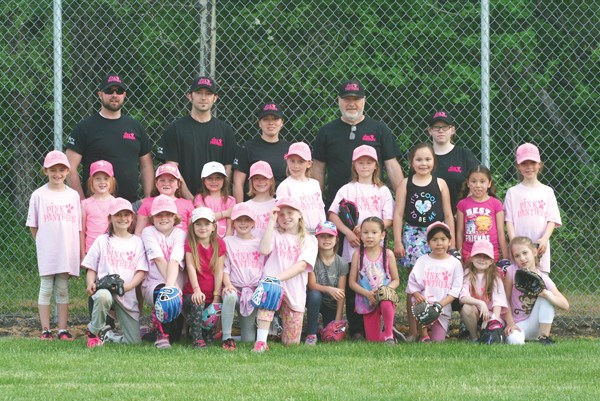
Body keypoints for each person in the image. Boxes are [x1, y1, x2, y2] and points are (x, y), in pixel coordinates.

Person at [328, 144, 394, 339]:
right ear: (354, 166)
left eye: (369, 162)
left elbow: (389, 218)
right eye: (360, 163)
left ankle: (380, 325)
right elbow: (333, 214)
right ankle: (357, 328)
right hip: (353, 246)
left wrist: (371, 228)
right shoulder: (347, 189)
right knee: (354, 287)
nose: (365, 166)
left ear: (376, 166)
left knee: (375, 283)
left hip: (376, 249)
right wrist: (349, 233)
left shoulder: (382, 191)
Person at [392, 143, 455, 340]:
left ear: (433, 161)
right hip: (412, 236)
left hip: (435, 236)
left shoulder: (440, 183)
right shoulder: (405, 183)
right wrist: (397, 241)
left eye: (427, 159)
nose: (423, 163)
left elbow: (447, 213)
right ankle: (413, 330)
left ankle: (431, 328)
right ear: (412, 162)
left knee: (435, 282)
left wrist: (450, 241)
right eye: (419, 159)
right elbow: (399, 213)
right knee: (415, 285)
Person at [312, 79, 404, 210]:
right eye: (347, 99)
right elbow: (318, 169)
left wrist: (402, 200)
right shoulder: (326, 131)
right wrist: (317, 204)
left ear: (364, 100)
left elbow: (392, 167)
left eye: (356, 99)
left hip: (372, 205)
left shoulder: (379, 129)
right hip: (337, 206)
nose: (351, 104)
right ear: (339, 100)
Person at [66, 73, 154, 203]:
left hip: (130, 207)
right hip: (96, 206)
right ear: (100, 94)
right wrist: (81, 201)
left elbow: (146, 165)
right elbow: (70, 167)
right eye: (109, 91)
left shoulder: (135, 127)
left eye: (118, 91)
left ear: (124, 95)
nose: (114, 95)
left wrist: (147, 199)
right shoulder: (85, 128)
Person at [26, 150, 81, 340]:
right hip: (48, 250)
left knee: (63, 289)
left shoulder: (73, 196)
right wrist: (43, 242)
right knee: (46, 288)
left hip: (66, 250)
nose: (57, 174)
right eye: (52, 170)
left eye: (61, 170)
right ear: (45, 171)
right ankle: (45, 329)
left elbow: (78, 227)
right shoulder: (39, 195)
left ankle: (62, 329)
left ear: (67, 171)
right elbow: (33, 225)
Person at [253, 197, 318, 352]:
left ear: (300, 215)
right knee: (269, 291)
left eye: (290, 213)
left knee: (291, 343)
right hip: (273, 284)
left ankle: (277, 331)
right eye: (281, 214)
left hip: (294, 287)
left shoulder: (310, 240)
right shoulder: (275, 233)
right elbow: (263, 250)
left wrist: (277, 277)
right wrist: (270, 222)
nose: (285, 217)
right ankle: (261, 342)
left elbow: (302, 265)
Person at [83, 198, 148, 348]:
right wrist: (90, 283)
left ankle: (109, 336)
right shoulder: (102, 240)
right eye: (118, 215)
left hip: (126, 292)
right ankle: (93, 331)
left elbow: (141, 271)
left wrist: (128, 287)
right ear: (110, 218)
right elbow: (91, 266)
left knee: (133, 342)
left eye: (126, 215)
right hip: (106, 289)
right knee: (102, 297)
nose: (123, 218)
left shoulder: (137, 242)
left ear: (132, 218)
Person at [158, 76, 237, 199]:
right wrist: (191, 199)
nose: (203, 98)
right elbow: (172, 168)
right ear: (190, 96)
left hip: (216, 202)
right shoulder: (175, 129)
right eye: (199, 93)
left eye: (208, 94)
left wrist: (216, 198)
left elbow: (228, 168)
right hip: (183, 201)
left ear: (215, 98)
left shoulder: (225, 131)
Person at [504, 143, 561, 274]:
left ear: (539, 164)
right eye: (524, 163)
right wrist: (513, 243)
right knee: (517, 284)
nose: (529, 167)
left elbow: (552, 219)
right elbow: (509, 221)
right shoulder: (513, 192)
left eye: (533, 163)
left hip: (539, 247)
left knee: (540, 284)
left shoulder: (547, 191)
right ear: (518, 166)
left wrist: (545, 238)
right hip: (519, 251)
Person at [140, 195, 187, 349]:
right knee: (163, 294)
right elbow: (159, 260)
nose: (163, 218)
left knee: (176, 335)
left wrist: (172, 287)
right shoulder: (148, 232)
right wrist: (169, 289)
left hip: (175, 284)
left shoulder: (180, 234)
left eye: (168, 214)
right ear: (152, 218)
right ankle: (162, 336)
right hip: (154, 284)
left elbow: (174, 261)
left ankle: (157, 331)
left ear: (175, 218)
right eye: (159, 215)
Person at [503, 237, 569, 345]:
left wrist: (546, 295)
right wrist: (510, 323)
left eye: (525, 253)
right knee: (515, 341)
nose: (522, 258)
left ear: (534, 251)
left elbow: (565, 305)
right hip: (517, 324)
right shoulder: (512, 271)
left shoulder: (542, 277)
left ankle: (544, 338)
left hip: (535, 325)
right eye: (517, 256)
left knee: (547, 297)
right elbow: (505, 299)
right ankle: (520, 337)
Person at [406, 222, 463, 342]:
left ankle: (434, 332)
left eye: (443, 239)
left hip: (442, 308)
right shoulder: (422, 260)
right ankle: (423, 335)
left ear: (449, 242)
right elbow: (412, 283)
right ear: (428, 243)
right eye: (434, 239)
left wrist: (439, 305)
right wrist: (417, 295)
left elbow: (455, 290)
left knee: (437, 342)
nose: (439, 243)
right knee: (420, 309)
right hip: (424, 306)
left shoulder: (455, 263)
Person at [221, 203, 267, 349]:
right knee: (230, 296)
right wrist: (227, 284)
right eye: (239, 220)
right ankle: (226, 338)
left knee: (248, 339)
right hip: (235, 287)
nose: (243, 223)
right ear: (233, 223)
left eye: (247, 220)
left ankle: (239, 336)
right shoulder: (228, 241)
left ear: (253, 223)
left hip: (252, 292)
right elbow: (224, 267)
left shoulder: (259, 243)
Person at [349, 217, 400, 344]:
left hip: (385, 297)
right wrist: (367, 293)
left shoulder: (388, 254)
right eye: (365, 232)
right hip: (367, 300)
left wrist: (384, 290)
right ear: (360, 235)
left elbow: (396, 280)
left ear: (382, 235)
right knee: (374, 340)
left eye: (374, 232)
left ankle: (389, 334)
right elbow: (352, 283)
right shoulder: (357, 254)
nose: (369, 236)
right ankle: (390, 333)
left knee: (386, 301)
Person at [183, 207, 226, 348]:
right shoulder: (191, 243)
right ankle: (196, 339)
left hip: (212, 294)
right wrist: (196, 290)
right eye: (198, 224)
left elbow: (219, 270)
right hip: (194, 294)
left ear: (214, 226)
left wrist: (216, 296)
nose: (203, 228)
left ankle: (204, 335)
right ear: (193, 226)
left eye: (206, 224)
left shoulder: (219, 244)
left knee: (210, 339)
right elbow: (190, 267)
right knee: (198, 302)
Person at [233, 102, 290, 202]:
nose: (271, 122)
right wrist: (240, 210)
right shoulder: (248, 147)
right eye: (266, 119)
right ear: (259, 123)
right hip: (253, 207)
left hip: (282, 207)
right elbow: (238, 183)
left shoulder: (289, 148)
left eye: (275, 119)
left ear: (282, 122)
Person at [427, 110, 479, 214]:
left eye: (445, 127)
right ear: (430, 131)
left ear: (452, 130)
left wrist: (463, 210)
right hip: (429, 217)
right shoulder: (424, 157)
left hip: (459, 216)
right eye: (436, 127)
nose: (441, 130)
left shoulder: (463, 154)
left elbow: (477, 183)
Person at [305, 221, 348, 345]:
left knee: (329, 335)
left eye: (330, 236)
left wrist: (338, 320)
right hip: (315, 300)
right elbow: (312, 285)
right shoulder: (312, 259)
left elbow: (341, 293)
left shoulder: (342, 263)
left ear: (336, 239)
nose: (326, 240)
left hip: (331, 304)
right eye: (322, 236)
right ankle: (311, 334)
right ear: (316, 238)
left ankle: (320, 327)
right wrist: (329, 289)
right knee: (314, 294)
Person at [456, 165, 509, 262]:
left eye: (482, 181)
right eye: (473, 181)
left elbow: (501, 232)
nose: (478, 185)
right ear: (468, 183)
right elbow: (459, 232)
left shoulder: (496, 204)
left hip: (490, 253)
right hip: (469, 253)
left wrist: (506, 258)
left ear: (489, 183)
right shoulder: (462, 204)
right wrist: (459, 255)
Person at [459, 239, 508, 342]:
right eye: (478, 255)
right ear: (471, 258)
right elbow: (463, 297)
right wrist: (481, 303)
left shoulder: (495, 276)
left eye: (486, 257)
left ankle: (485, 332)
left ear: (491, 261)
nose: (482, 259)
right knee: (466, 308)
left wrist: (493, 320)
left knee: (492, 336)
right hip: (476, 313)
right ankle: (474, 337)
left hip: (492, 314)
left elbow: (498, 301)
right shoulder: (468, 273)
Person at [276, 142, 326, 233]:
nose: (296, 166)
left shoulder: (314, 184)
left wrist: (322, 230)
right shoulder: (285, 186)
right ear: (287, 161)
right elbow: (282, 215)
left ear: (309, 163)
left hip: (317, 233)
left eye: (301, 161)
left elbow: (320, 209)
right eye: (292, 161)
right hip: (296, 233)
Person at [134, 164, 194, 237]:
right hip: (153, 244)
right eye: (162, 180)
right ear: (156, 183)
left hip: (181, 245)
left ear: (178, 184)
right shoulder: (148, 203)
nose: (166, 184)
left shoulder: (187, 204)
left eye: (171, 180)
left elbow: (193, 233)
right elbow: (139, 232)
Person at [81, 160, 116, 259]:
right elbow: (82, 232)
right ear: (91, 181)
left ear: (112, 181)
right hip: (91, 251)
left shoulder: (116, 203)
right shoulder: (85, 204)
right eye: (98, 179)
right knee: (92, 275)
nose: (102, 182)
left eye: (106, 178)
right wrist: (83, 255)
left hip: (111, 250)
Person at [194, 161, 237, 238]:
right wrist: (225, 213)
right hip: (205, 239)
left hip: (225, 241)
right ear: (204, 180)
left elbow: (230, 224)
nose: (214, 181)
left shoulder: (230, 200)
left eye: (218, 178)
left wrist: (227, 240)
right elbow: (203, 217)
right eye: (209, 178)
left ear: (224, 180)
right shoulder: (200, 198)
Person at [244, 161, 277, 237]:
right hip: (250, 248)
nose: (261, 181)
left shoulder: (277, 204)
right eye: (256, 178)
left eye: (265, 178)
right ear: (251, 181)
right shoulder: (245, 206)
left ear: (271, 180)